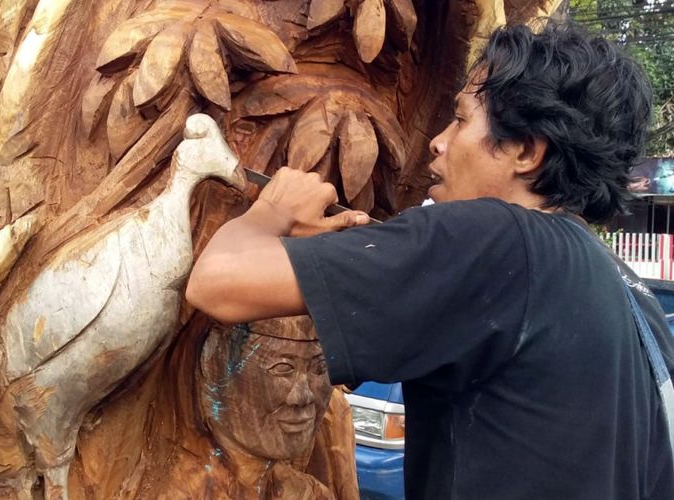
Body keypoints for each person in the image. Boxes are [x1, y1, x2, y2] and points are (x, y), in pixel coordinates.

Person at [186, 21, 674, 499]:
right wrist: (360, 260)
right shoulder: (633, 299)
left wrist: (272, 211)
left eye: (461, 119)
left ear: (526, 150)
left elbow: (217, 282)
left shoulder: (495, 238)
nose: (438, 141)